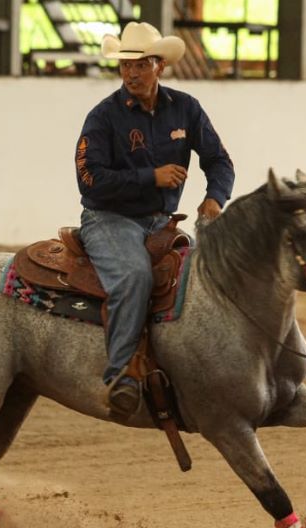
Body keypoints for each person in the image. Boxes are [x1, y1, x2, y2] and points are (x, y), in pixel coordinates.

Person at [74, 22, 235, 420]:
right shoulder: (104, 117)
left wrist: (215, 198)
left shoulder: (186, 108)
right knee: (133, 277)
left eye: (140, 65)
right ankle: (122, 376)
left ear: (159, 65)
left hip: (161, 223)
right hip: (109, 219)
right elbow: (89, 178)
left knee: (206, 280)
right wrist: (152, 176)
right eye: (125, 66)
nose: (130, 73)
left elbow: (218, 160)